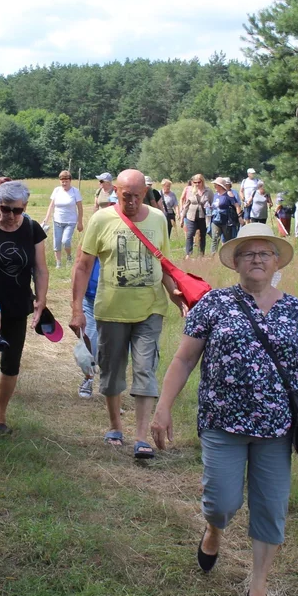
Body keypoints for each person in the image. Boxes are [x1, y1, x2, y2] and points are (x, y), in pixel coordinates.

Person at [150, 223, 298, 596]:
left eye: (265, 253)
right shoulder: (214, 304)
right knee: (222, 502)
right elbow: (185, 358)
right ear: (236, 262)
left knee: (271, 508)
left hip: (278, 429)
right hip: (222, 422)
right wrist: (163, 406)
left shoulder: (296, 310)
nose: (257, 259)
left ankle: (257, 587)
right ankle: (214, 530)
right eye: (249, 253)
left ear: (276, 262)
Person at [70, 169, 185, 460]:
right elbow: (83, 266)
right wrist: (76, 310)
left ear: (144, 193)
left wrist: (177, 298)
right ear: (116, 193)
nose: (131, 201)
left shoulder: (158, 220)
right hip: (110, 310)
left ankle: (141, 436)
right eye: (125, 196)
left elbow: (165, 265)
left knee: (145, 368)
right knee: (111, 370)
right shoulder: (101, 219)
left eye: (136, 196)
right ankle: (115, 426)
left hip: (150, 309)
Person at [0, 180, 49, 437]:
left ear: (25, 206)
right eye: (6, 209)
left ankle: (0, 415)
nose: (11, 216)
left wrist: (41, 300)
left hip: (16, 305)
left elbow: (40, 268)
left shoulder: (32, 228)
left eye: (18, 210)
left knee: (11, 362)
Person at [42, 170, 84, 268]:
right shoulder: (57, 190)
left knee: (65, 241)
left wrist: (80, 222)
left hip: (70, 221)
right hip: (57, 220)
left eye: (66, 181)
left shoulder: (75, 191)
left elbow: (80, 208)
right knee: (56, 242)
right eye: (62, 181)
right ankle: (58, 263)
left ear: (70, 181)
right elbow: (51, 206)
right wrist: (46, 219)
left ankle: (69, 257)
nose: (64, 183)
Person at [76, 258, 102, 399]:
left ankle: (110, 387)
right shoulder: (91, 236)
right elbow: (79, 265)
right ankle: (88, 377)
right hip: (90, 299)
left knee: (112, 347)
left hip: (116, 301)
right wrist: (76, 304)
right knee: (89, 344)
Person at [182, 174, 211, 258]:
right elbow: (186, 205)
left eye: (199, 182)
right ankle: (188, 254)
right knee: (190, 234)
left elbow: (212, 203)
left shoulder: (208, 191)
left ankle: (201, 254)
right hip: (191, 216)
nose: (197, 184)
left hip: (203, 217)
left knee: (202, 235)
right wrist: (182, 217)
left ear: (202, 181)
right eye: (195, 182)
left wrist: (209, 208)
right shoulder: (191, 191)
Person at [210, 177, 241, 253]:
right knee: (215, 238)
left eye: (216, 185)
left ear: (221, 186)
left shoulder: (229, 194)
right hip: (216, 220)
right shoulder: (215, 195)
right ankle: (212, 256)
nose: (215, 187)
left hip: (226, 221)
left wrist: (239, 216)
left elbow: (237, 205)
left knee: (228, 239)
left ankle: (229, 255)